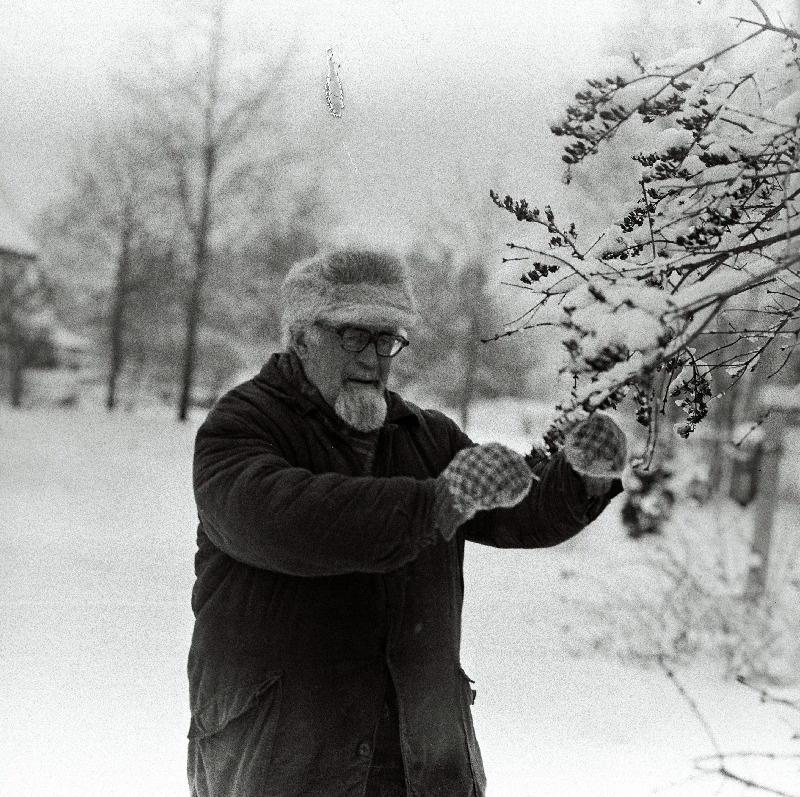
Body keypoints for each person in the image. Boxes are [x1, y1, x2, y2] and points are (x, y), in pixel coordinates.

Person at [187, 249, 627, 797]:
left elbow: (519, 510)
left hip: (421, 759)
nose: (374, 359)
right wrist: (433, 504)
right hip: (285, 756)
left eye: (387, 340)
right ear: (301, 338)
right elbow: (281, 518)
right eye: (355, 337)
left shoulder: (426, 436)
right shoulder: (241, 425)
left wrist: (578, 479)